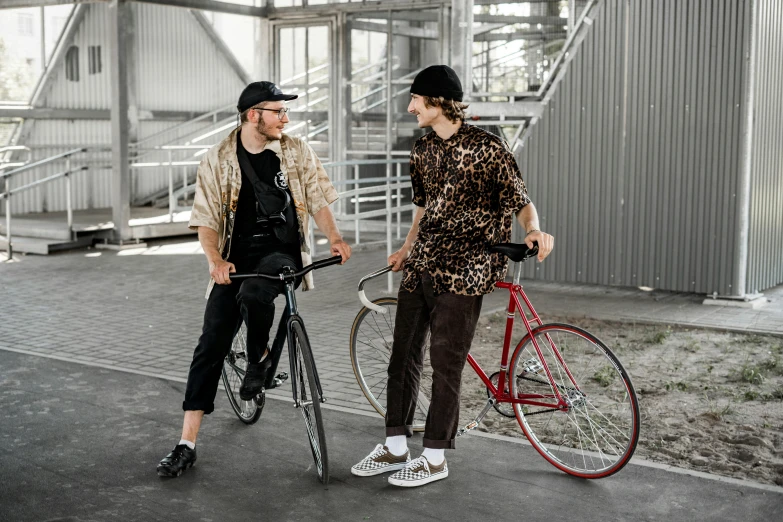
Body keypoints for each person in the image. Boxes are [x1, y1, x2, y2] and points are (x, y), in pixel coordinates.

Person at [350, 65, 554, 487]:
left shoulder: (488, 149)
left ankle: (436, 457)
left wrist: (533, 228)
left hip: (468, 266)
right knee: (402, 354)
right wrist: (407, 247)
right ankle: (395, 446)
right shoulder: (421, 149)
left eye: (416, 101)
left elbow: (520, 200)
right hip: (424, 260)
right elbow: (423, 206)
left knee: (446, 362)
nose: (409, 108)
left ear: (439, 102)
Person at [157, 81, 351, 478]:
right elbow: (207, 219)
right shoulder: (217, 159)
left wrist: (334, 238)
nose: (286, 118)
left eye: (286, 112)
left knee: (257, 293)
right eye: (278, 111)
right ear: (252, 115)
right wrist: (215, 260)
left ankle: (259, 360)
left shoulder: (295, 151)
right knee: (211, 343)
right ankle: (186, 443)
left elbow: (317, 197)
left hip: (279, 253)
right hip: (233, 258)